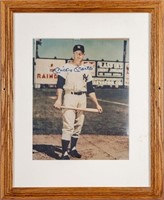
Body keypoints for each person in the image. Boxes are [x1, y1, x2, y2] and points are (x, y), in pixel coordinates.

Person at [54, 44, 103, 160]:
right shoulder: (65, 67)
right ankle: (64, 153)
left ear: (84, 55)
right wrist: (58, 99)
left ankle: (73, 149)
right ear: (73, 54)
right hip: (69, 97)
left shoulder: (86, 70)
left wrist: (97, 104)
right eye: (76, 52)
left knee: (78, 125)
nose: (78, 55)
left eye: (81, 53)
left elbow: (90, 89)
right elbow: (60, 85)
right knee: (68, 125)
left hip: (82, 98)